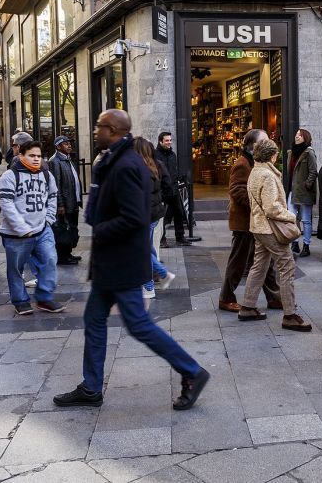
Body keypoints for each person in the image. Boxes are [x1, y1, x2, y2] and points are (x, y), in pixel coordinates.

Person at [54, 110, 209, 410]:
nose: (95, 130)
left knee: (138, 325)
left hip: (122, 261)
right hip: (110, 261)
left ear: (112, 130)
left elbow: (135, 218)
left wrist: (99, 227)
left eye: (99, 126)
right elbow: (100, 208)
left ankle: (192, 371)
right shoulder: (112, 160)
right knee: (94, 319)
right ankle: (91, 386)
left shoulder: (126, 165)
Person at [238, 139, 311, 332]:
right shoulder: (267, 176)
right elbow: (271, 208)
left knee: (259, 265)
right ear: (272, 155)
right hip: (270, 229)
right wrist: (291, 215)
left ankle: (247, 305)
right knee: (287, 266)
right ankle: (289, 315)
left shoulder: (255, 171)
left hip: (258, 227)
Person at [0, 141, 65, 315]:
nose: (36, 159)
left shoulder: (46, 175)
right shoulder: (10, 176)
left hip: (42, 229)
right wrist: (21, 227)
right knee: (16, 269)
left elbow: (52, 196)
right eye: (31, 156)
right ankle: (20, 301)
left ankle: (44, 298)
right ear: (21, 156)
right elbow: (6, 203)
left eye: (39, 156)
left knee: (50, 260)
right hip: (16, 234)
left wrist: (48, 219)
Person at [219, 129, 282, 313]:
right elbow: (236, 190)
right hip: (244, 223)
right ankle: (226, 297)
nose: (268, 142)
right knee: (238, 262)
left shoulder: (256, 162)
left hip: (255, 222)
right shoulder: (242, 164)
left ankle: (274, 298)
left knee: (265, 261)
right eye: (264, 140)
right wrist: (258, 202)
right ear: (253, 146)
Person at [133, 136, 175, 307]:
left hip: (143, 216)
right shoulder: (154, 165)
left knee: (142, 250)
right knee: (146, 248)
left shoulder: (140, 168)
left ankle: (150, 285)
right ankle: (161, 275)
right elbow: (167, 187)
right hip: (152, 215)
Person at [48, 136, 83, 265]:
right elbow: (55, 185)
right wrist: (60, 204)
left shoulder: (68, 159)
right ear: (58, 147)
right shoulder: (55, 161)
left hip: (73, 202)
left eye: (69, 143)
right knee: (64, 229)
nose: (69, 146)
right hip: (65, 203)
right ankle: (63, 256)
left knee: (71, 228)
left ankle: (67, 253)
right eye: (65, 144)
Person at [154, 131, 192, 247]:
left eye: (170, 140)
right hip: (162, 190)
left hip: (173, 189)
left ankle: (180, 237)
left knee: (179, 213)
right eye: (167, 140)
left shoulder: (173, 155)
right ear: (160, 141)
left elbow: (174, 171)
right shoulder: (155, 155)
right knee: (161, 217)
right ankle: (162, 240)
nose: (169, 142)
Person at [286, 129, 318, 258]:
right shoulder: (291, 153)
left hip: (305, 191)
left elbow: (313, 171)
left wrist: (307, 185)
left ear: (306, 137)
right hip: (293, 190)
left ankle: (306, 245)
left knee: (306, 220)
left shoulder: (309, 152)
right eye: (296, 135)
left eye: (300, 135)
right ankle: (295, 242)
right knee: (291, 217)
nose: (297, 137)